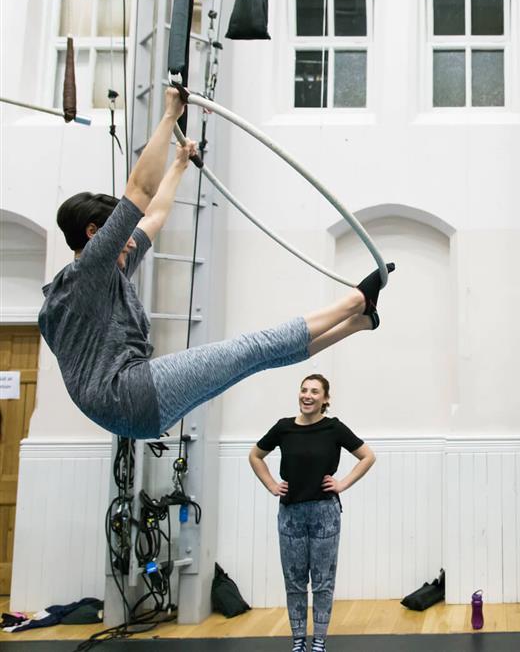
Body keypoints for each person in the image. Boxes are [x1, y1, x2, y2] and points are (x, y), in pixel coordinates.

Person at [38, 87, 392, 439]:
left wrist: (178, 166)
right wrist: (169, 117)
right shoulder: (90, 271)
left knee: (253, 360)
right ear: (93, 233)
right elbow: (140, 194)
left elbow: (155, 214)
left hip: (130, 414)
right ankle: (356, 300)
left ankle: (356, 323)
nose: (131, 241)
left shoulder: (92, 283)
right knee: (253, 347)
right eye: (122, 235)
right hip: (128, 394)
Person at [249, 373, 375, 652]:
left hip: (324, 515)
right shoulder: (283, 428)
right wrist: (271, 484)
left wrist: (342, 483)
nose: (307, 395)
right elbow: (255, 455)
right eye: (304, 390)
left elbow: (368, 456)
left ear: (325, 399)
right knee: (294, 582)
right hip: (291, 515)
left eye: (315, 391)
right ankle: (298, 641)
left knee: (322, 581)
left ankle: (319, 640)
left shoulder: (334, 428)